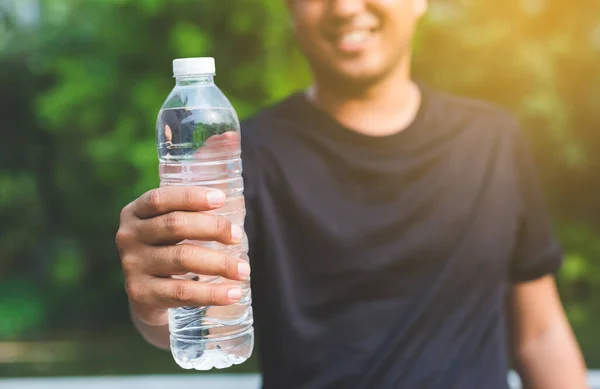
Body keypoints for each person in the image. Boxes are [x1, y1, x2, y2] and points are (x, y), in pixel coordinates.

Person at [115, 0, 589, 388]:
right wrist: (155, 302)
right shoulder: (244, 155)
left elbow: (540, 335)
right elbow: (206, 319)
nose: (344, 7)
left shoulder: (494, 140)